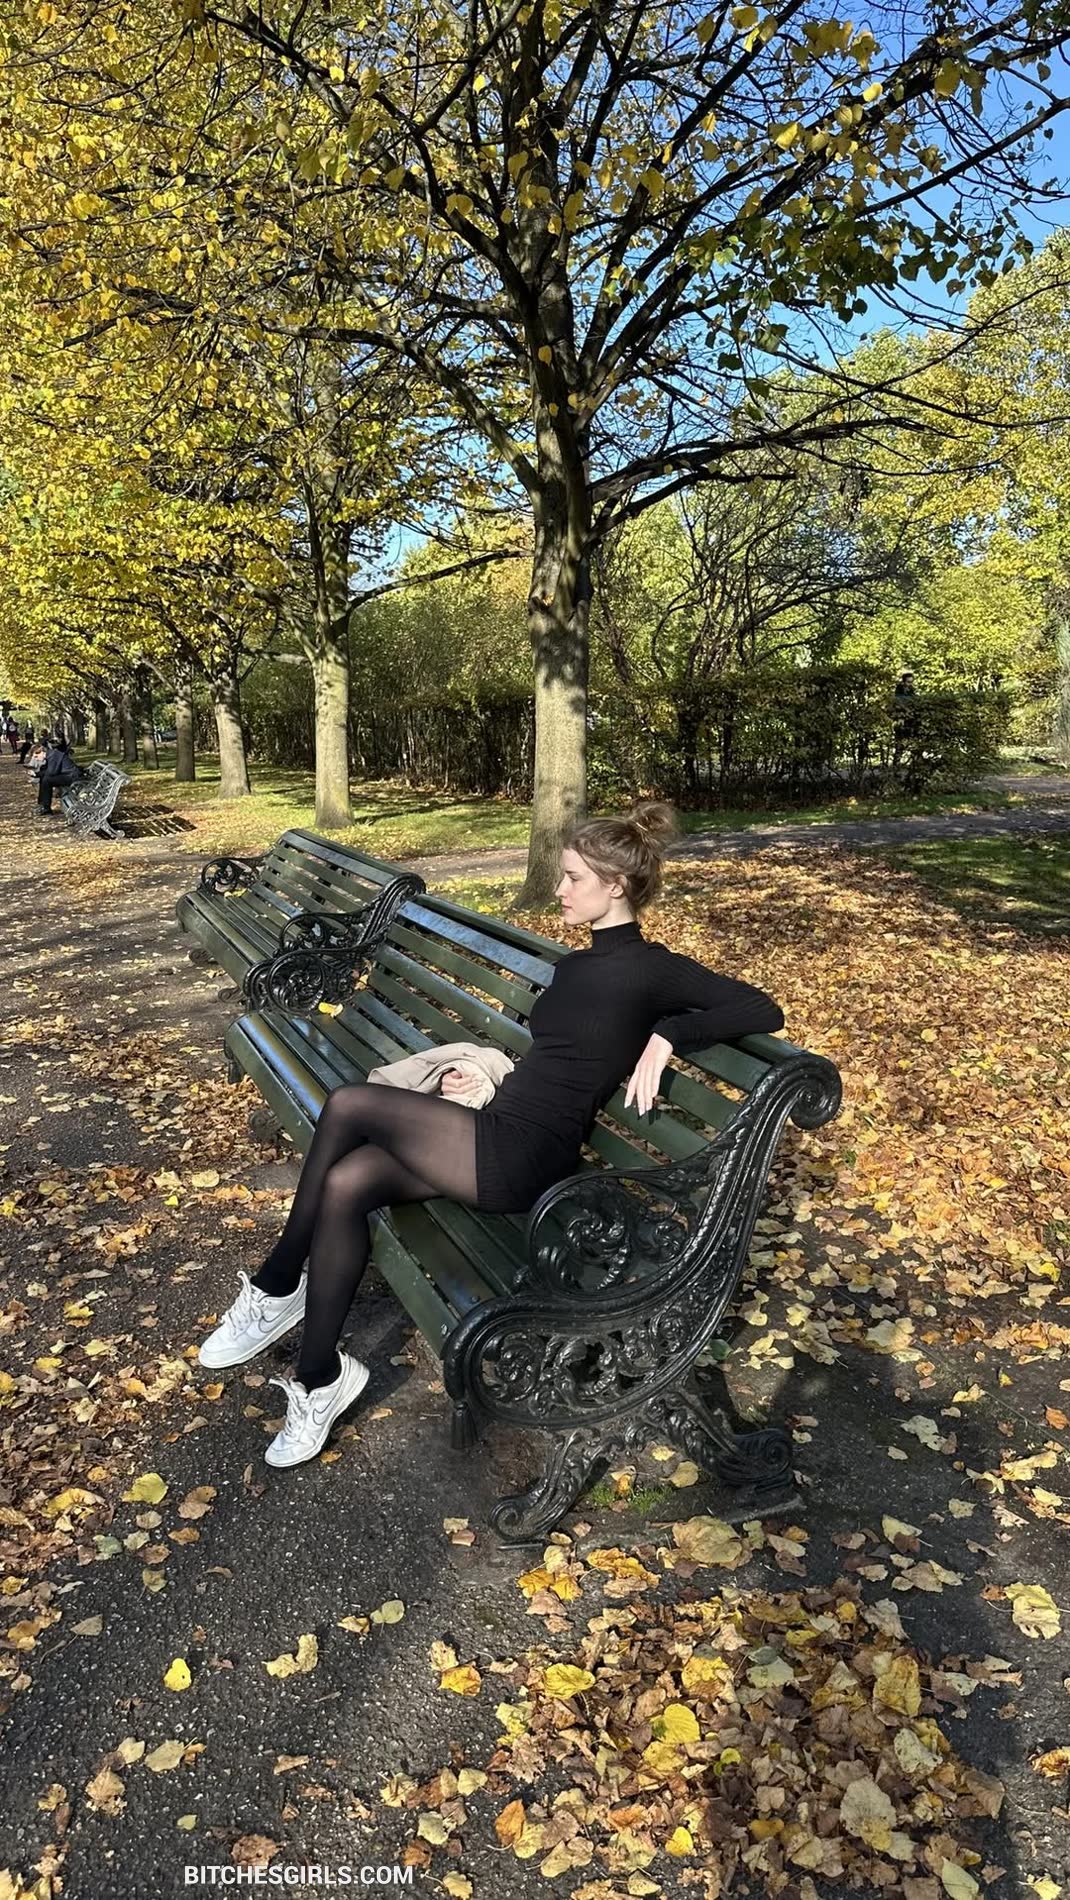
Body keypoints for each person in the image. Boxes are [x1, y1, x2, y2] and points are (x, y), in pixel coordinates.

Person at [197, 801, 786, 1469]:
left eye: (573, 878)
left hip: (526, 1158)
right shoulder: (576, 966)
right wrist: (477, 1080)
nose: (559, 889)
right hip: (498, 1125)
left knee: (352, 1105)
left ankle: (277, 1284)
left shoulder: (653, 970)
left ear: (616, 886)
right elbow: (556, 1060)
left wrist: (670, 1033)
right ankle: (318, 1377)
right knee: (347, 1182)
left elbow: (762, 1007)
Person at [34, 734, 80, 816]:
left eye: (37, 756)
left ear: (42, 752)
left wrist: (36, 774)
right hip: (66, 775)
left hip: (71, 776)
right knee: (44, 778)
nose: (36, 758)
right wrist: (38, 774)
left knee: (46, 780)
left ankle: (46, 807)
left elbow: (51, 772)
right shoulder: (51, 754)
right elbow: (50, 771)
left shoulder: (53, 755)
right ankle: (42, 804)